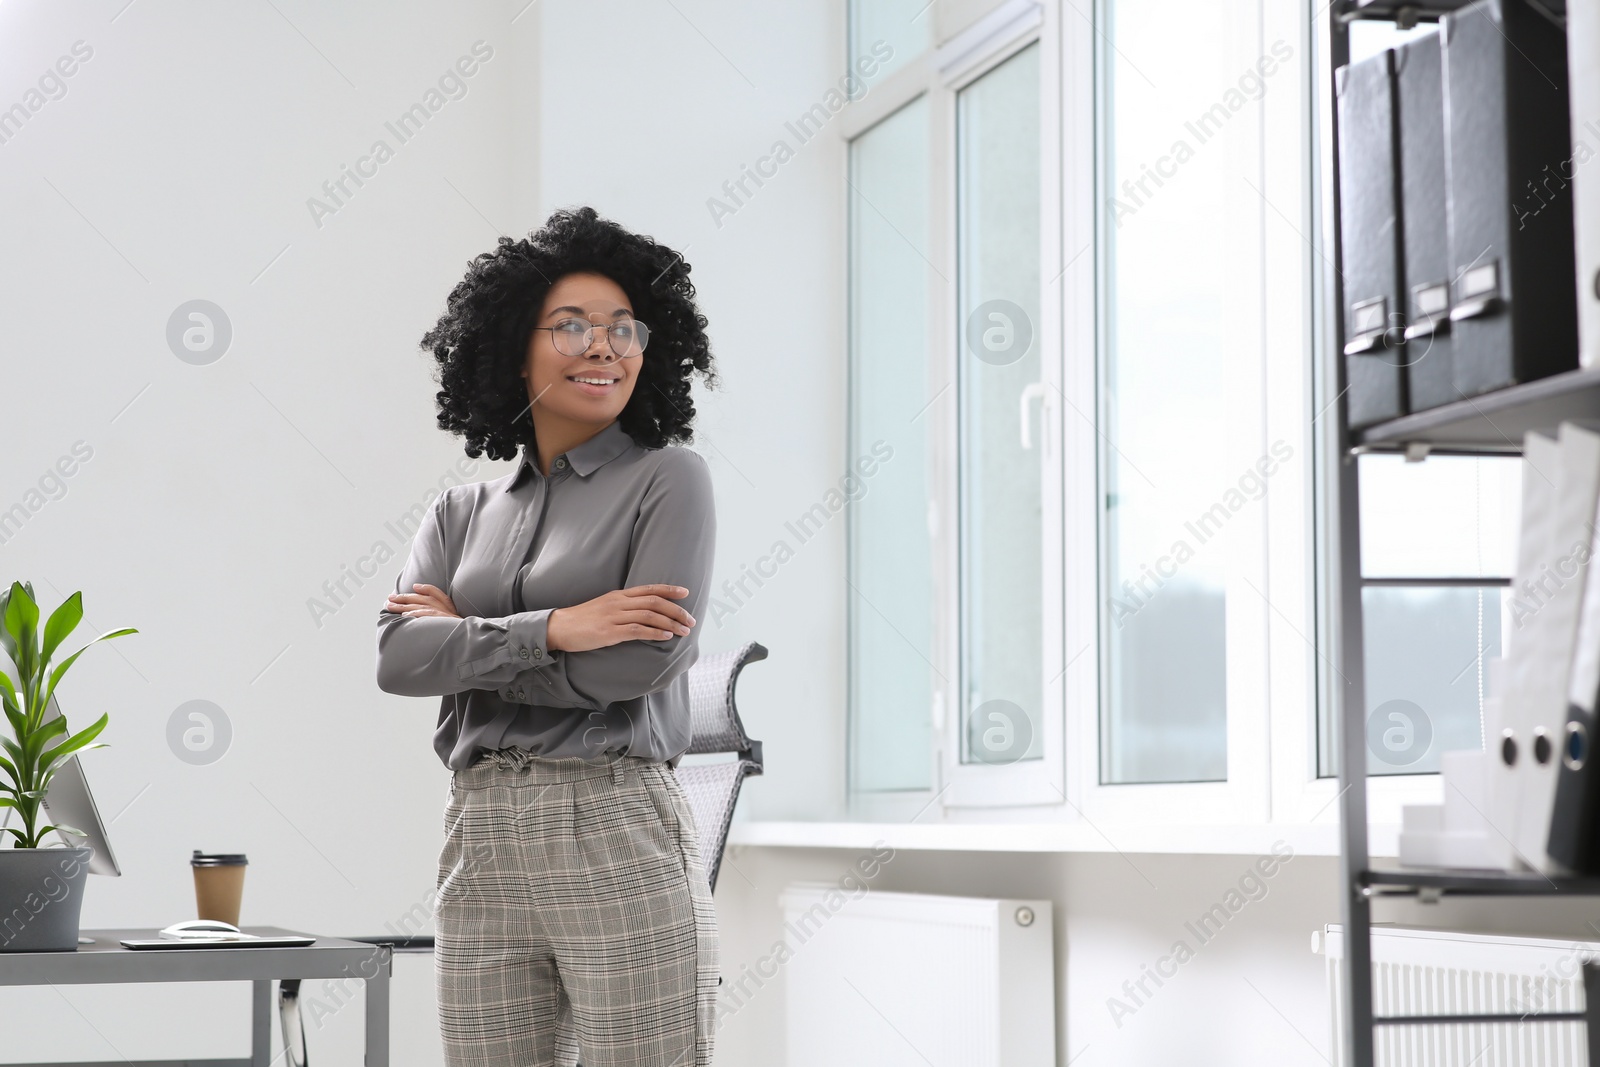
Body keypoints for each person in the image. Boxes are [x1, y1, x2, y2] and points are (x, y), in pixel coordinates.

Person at [374, 205, 720, 1067]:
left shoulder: (669, 480)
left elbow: (641, 661)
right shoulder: (459, 513)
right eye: (571, 326)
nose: (605, 345)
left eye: (624, 328)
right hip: (480, 830)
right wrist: (560, 627)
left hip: (614, 825)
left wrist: (472, 652)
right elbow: (397, 657)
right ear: (511, 346)